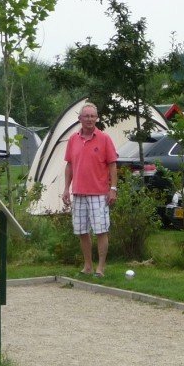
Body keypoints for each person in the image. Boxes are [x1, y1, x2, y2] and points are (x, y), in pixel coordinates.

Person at [62, 102, 118, 277]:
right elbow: (69, 165)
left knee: (101, 230)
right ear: (80, 119)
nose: (89, 119)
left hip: (99, 193)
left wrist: (113, 188)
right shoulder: (73, 139)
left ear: (97, 118)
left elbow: (112, 165)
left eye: (92, 116)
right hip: (78, 192)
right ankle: (88, 266)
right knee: (82, 231)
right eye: (86, 116)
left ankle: (100, 267)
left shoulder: (104, 138)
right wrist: (66, 188)